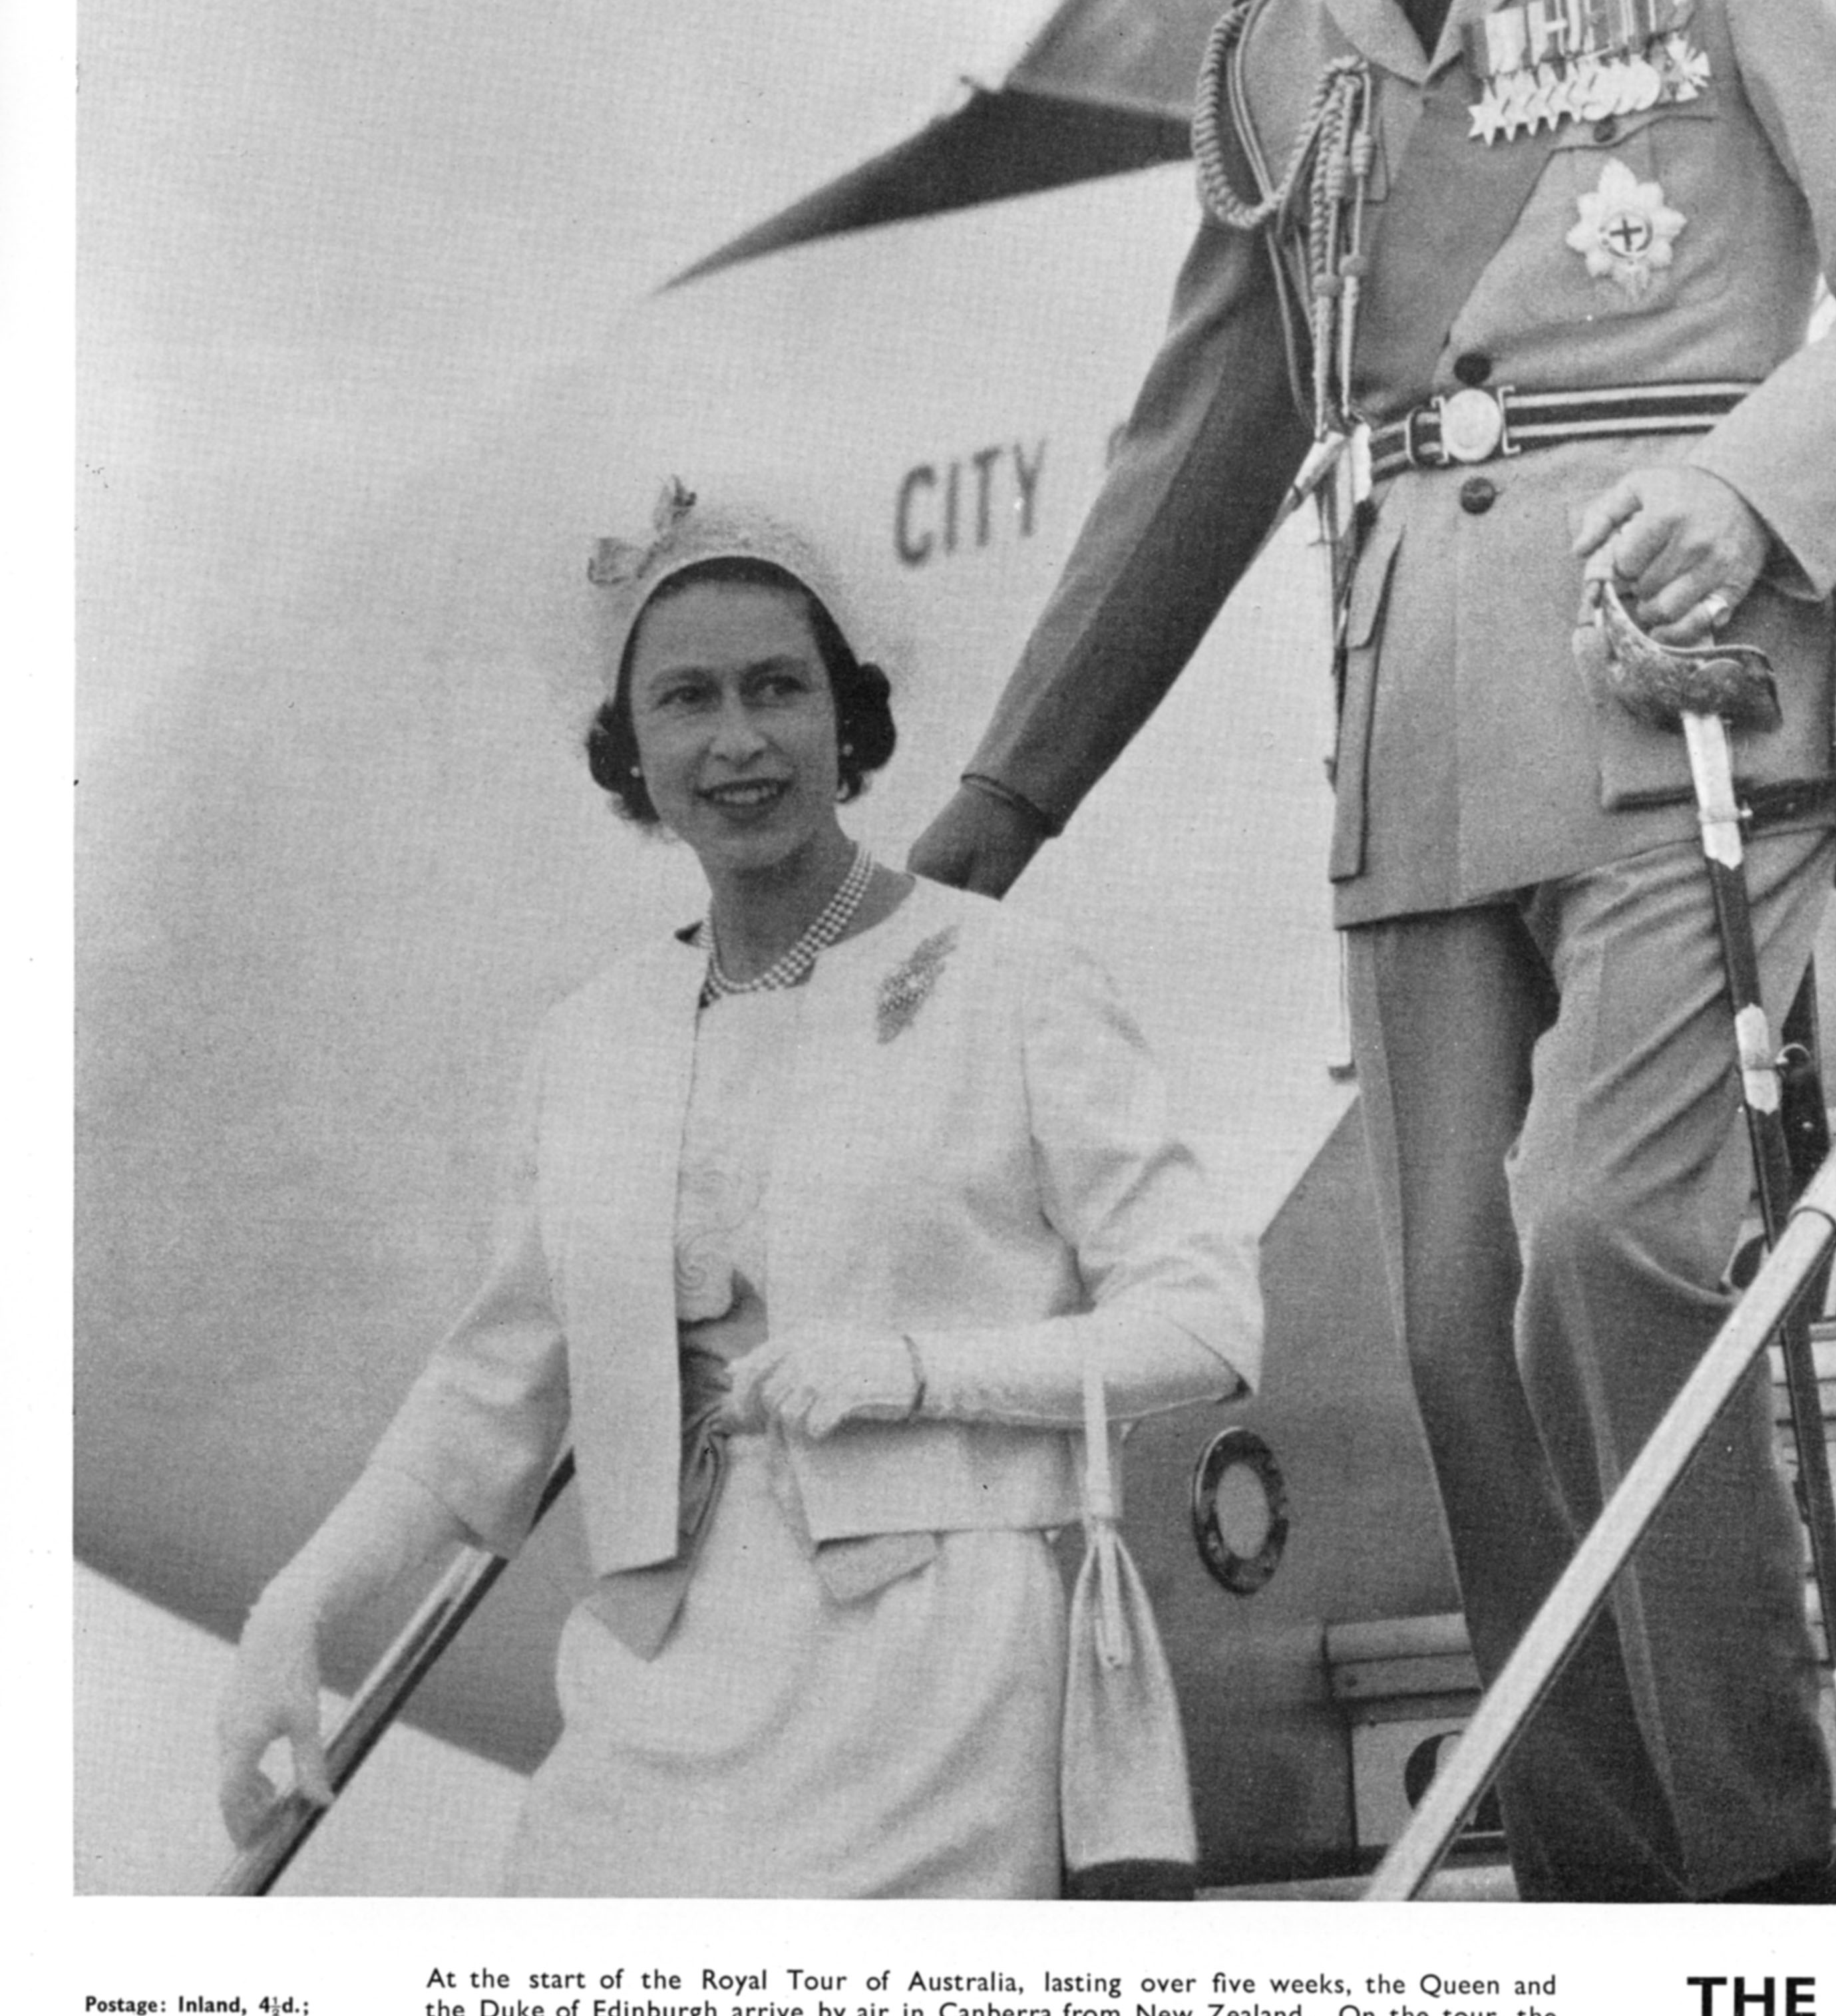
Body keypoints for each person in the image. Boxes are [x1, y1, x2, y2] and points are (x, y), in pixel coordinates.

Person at [912, 0, 1836, 1903]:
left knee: (1608, 1246)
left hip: (1683, 696)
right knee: (1441, 1335)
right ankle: (1614, 1902)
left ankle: (1758, 1870)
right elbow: (1202, 448)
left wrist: (1746, 495)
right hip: (1414, 725)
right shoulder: (1283, 24)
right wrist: (998, 807)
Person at [218, 479, 1259, 1897]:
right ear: (631, 754)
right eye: (686, 702)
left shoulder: (1008, 981)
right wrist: (295, 1614)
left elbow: (1205, 1326)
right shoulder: (592, 1038)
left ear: (848, 722)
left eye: (778, 689)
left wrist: (908, 1371)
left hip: (937, 1673)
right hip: (656, 1680)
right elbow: (488, 1401)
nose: (738, 740)